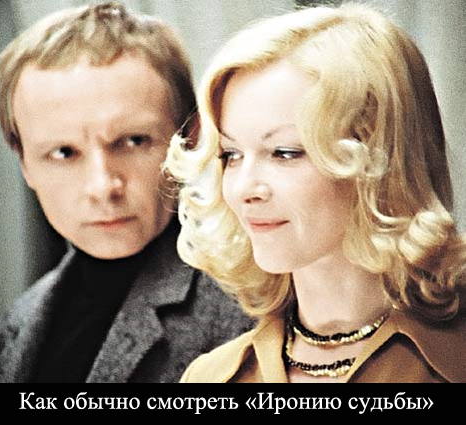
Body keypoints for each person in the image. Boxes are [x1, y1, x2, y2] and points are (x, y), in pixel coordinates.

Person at [165, 2, 466, 383]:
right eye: (231, 154)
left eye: (284, 153)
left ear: (378, 158)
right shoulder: (209, 378)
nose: (243, 189)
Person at [0, 1, 252, 383]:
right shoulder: (20, 319)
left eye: (133, 141)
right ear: (24, 162)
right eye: (63, 152)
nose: (102, 187)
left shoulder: (248, 306)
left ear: (190, 138)